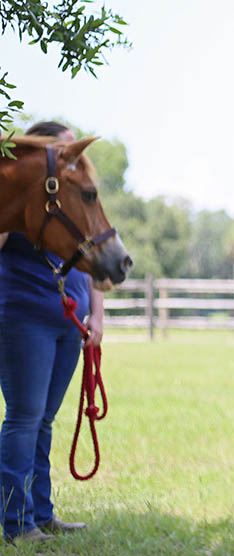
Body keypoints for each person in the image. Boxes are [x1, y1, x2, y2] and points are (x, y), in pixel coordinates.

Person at [0, 121, 103, 543]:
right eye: (62, 154)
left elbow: (97, 258)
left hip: (70, 321)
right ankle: (16, 522)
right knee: (24, 419)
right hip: (24, 317)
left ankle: (41, 513)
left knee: (44, 421)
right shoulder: (26, 196)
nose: (70, 160)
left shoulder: (72, 200)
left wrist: (98, 316)